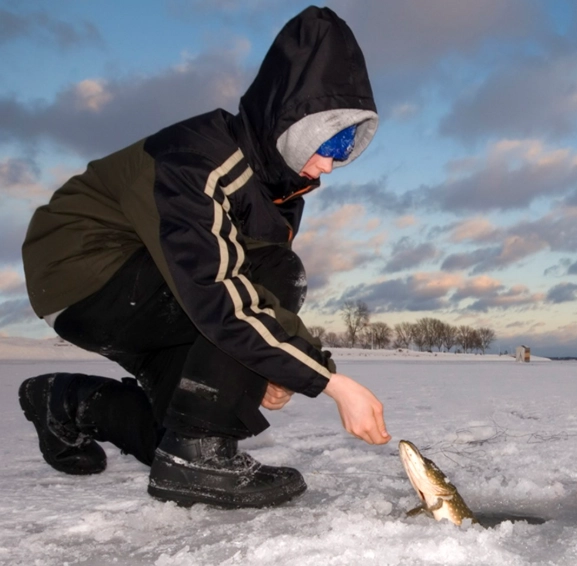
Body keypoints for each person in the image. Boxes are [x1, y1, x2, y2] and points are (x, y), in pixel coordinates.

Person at [18, 6, 390, 510]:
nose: (333, 161)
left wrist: (277, 369)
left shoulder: (277, 194)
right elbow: (223, 293)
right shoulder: (201, 159)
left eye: (348, 146)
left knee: (171, 437)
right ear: (292, 116)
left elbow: (237, 299)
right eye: (331, 139)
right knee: (279, 272)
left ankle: (67, 401)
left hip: (149, 290)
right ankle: (198, 453)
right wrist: (326, 379)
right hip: (87, 271)